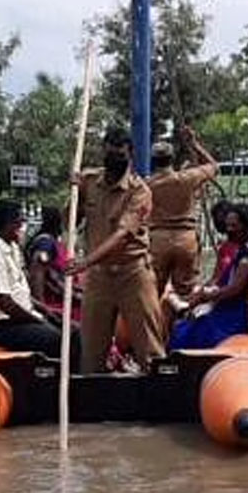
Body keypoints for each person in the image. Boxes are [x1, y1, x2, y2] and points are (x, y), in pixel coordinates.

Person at [66, 128, 165, 373]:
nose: (114, 160)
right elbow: (68, 220)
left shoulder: (139, 191)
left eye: (120, 155)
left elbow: (122, 236)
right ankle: (92, 402)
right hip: (99, 277)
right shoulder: (89, 181)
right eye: (110, 154)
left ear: (130, 155)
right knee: (91, 350)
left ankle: (158, 396)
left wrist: (85, 262)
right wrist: (73, 195)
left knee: (149, 349)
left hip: (133, 275)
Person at [0, 199, 79, 367]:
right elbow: (6, 305)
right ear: (8, 224)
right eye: (20, 221)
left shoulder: (11, 248)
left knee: (74, 330)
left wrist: (46, 311)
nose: (23, 226)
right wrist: (38, 320)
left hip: (15, 317)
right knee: (57, 339)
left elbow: (19, 291)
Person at [170, 203, 248, 350]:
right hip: (244, 309)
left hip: (243, 316)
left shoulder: (247, 256)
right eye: (228, 226)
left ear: (247, 226)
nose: (229, 230)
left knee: (186, 331)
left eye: (234, 226)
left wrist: (206, 297)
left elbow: (234, 289)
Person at [147, 126, 218, 298]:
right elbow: (214, 166)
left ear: (153, 160)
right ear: (172, 159)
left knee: (153, 292)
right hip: (186, 239)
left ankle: (156, 322)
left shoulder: (146, 185)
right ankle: (185, 323)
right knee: (186, 293)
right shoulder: (187, 179)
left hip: (157, 239)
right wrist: (194, 144)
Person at [25, 206, 80, 323]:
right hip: (55, 302)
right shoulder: (45, 244)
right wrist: (42, 307)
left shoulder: (52, 242)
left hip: (64, 296)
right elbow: (38, 273)